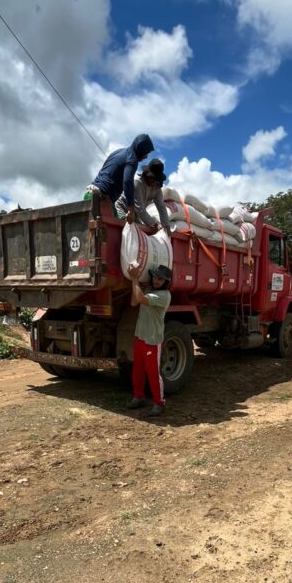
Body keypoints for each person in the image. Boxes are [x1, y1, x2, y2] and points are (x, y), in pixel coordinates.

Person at [126, 263, 172, 417]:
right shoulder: (148, 290)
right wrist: (137, 284)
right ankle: (138, 397)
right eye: (155, 278)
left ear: (166, 282)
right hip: (140, 336)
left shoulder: (164, 295)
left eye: (160, 279)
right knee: (137, 369)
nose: (156, 281)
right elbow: (134, 302)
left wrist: (134, 278)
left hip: (152, 339)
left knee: (152, 373)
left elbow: (140, 299)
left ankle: (159, 403)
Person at [85, 134, 153, 218]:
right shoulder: (132, 159)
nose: (146, 157)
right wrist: (131, 208)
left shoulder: (119, 152)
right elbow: (127, 181)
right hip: (101, 199)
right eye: (146, 153)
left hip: (90, 194)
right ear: (140, 149)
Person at [114, 159, 171, 234]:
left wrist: (166, 225)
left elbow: (161, 207)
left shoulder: (156, 188)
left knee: (142, 233)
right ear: (147, 175)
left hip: (135, 215)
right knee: (125, 231)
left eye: (156, 179)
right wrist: (155, 224)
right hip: (122, 209)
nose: (154, 181)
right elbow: (140, 209)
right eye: (153, 178)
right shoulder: (137, 184)